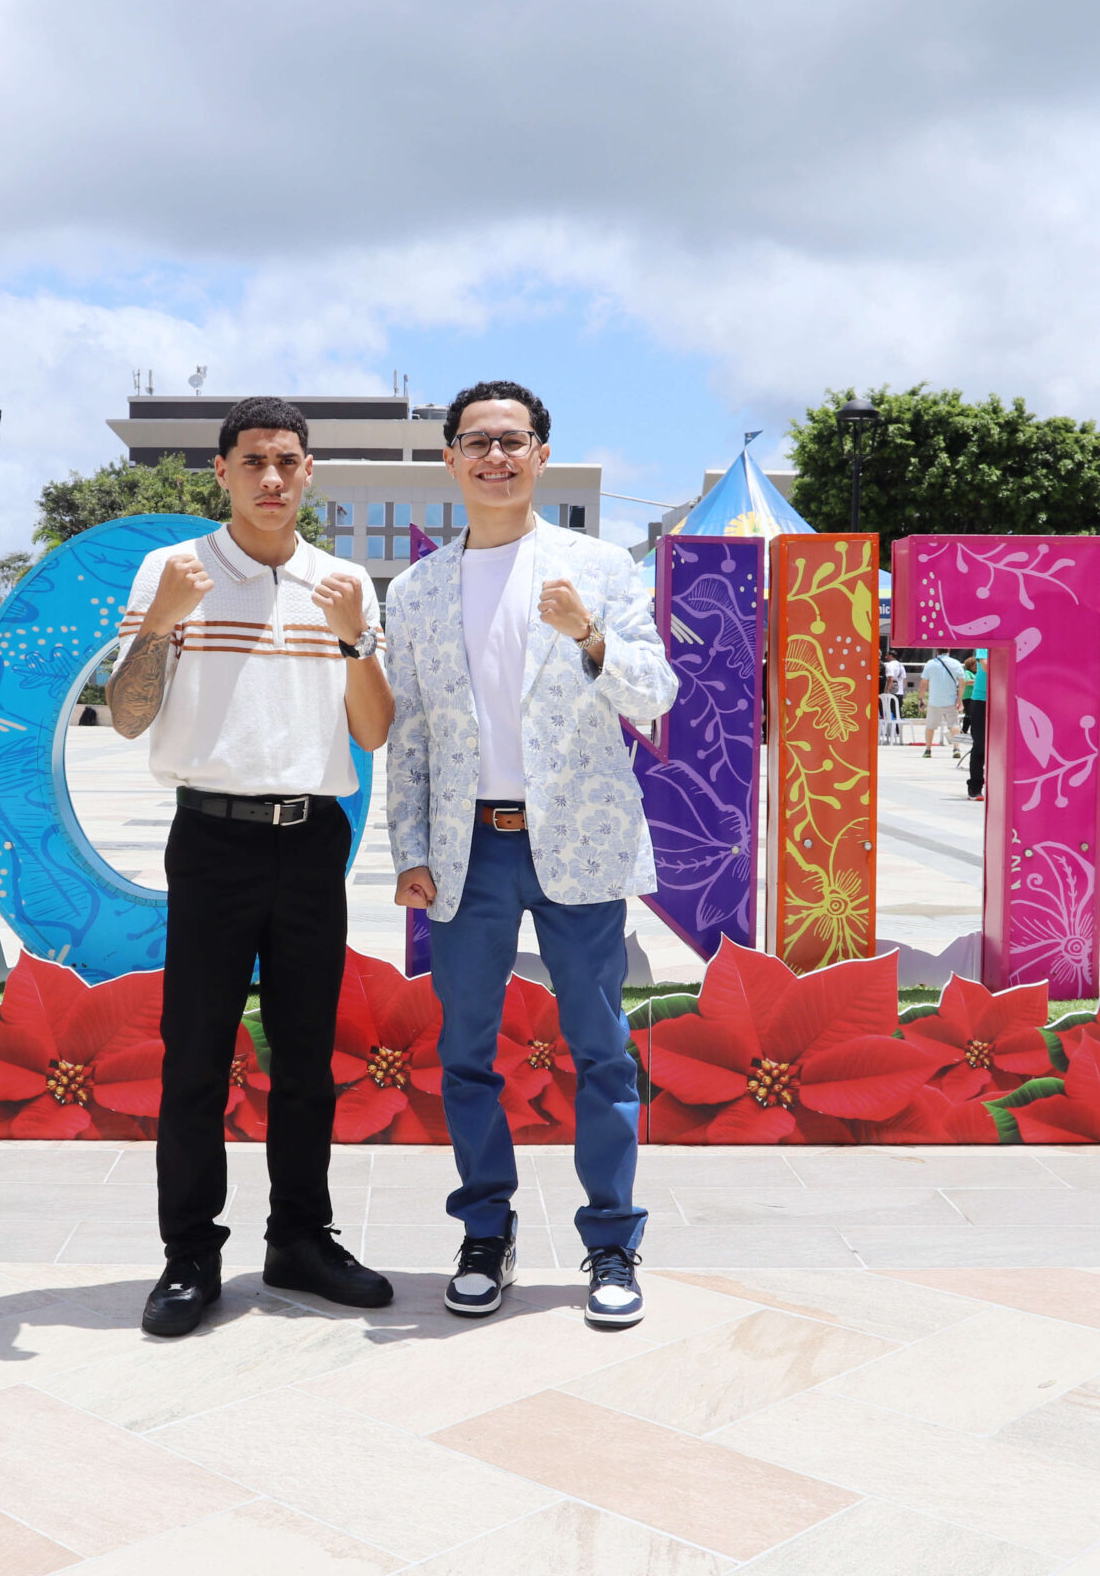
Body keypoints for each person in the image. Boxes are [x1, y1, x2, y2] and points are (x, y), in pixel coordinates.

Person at [385, 381, 678, 1328]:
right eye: (477, 442)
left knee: (603, 1052)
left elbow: (656, 694)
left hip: (578, 845)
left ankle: (612, 1242)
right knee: (466, 1052)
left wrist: (589, 634)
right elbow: (412, 732)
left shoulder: (600, 567)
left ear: (542, 454)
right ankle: (485, 1231)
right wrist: (410, 847)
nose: (495, 457)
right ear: (450, 459)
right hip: (465, 849)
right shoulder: (417, 590)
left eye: (513, 440)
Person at [107, 396, 396, 1338]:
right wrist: (163, 622)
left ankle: (300, 1239)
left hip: (312, 838)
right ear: (222, 471)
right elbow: (128, 716)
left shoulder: (344, 582)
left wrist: (355, 636)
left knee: (306, 1058)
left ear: (309, 471)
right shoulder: (174, 570)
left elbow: (373, 731)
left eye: (288, 461)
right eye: (253, 461)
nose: (272, 478)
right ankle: (190, 1253)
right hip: (212, 839)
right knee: (194, 1055)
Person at [921, 650, 967, 758]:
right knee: (954, 725)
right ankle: (956, 748)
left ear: (937, 651)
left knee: (930, 726)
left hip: (934, 700)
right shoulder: (956, 663)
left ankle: (928, 750)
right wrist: (960, 699)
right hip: (951, 700)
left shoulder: (930, 663)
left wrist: (921, 698)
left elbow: (924, 683)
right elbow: (962, 682)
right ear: (948, 650)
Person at [965, 646, 990, 800]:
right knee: (980, 745)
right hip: (981, 700)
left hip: (1003, 697)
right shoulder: (985, 645)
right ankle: (975, 787)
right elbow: (985, 665)